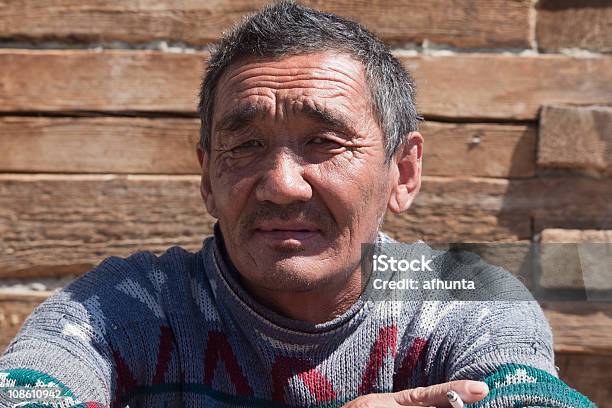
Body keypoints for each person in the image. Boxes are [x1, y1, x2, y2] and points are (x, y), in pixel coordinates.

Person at [0, 2, 594, 407]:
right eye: (246, 145)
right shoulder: (121, 309)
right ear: (207, 176)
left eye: (325, 143)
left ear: (403, 172)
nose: (282, 184)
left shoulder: (463, 304)